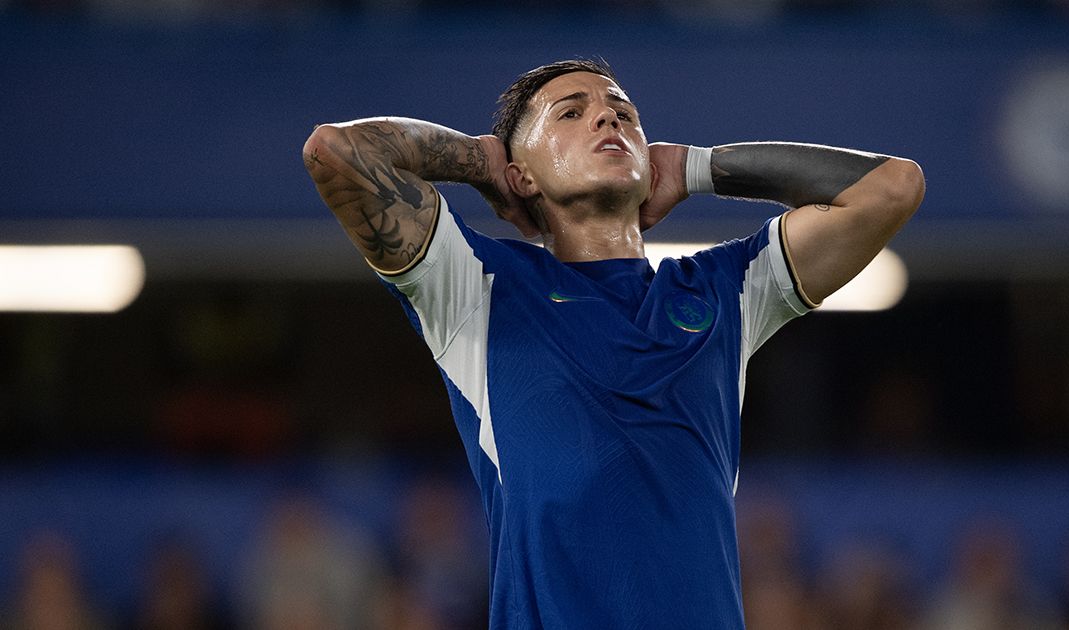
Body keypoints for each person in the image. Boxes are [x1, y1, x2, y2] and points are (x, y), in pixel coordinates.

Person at [302, 58, 924, 629]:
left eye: (623, 111)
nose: (607, 116)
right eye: (569, 113)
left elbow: (892, 187)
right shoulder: (477, 287)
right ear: (522, 175)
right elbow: (335, 151)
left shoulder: (725, 292)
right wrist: (477, 160)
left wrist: (696, 166)